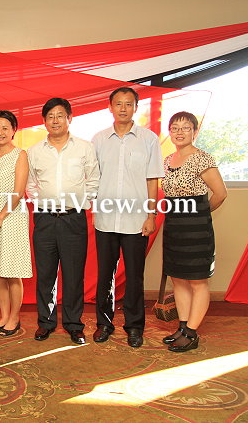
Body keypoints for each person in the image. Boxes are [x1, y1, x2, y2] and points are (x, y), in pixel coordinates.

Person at [91, 87, 164, 348]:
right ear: (110, 107)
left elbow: (152, 179)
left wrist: (151, 214)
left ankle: (134, 327)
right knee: (105, 274)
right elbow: (92, 177)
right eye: (118, 103)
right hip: (106, 218)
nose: (123, 108)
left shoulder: (148, 139)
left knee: (135, 275)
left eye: (128, 104)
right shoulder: (99, 139)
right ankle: (104, 323)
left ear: (136, 107)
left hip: (136, 220)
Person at [26, 98, 100, 344]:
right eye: (50, 116)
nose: (55, 120)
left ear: (70, 118)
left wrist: (80, 203)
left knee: (73, 274)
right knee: (45, 274)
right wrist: (43, 203)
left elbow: (93, 180)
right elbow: (30, 184)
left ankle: (73, 324)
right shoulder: (35, 151)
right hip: (45, 220)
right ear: (44, 121)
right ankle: (45, 323)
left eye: (60, 115)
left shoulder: (84, 148)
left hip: (73, 219)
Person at [161, 111, 227, 352]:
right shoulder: (167, 160)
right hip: (173, 227)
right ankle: (182, 327)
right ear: (170, 132)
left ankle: (191, 333)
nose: (180, 132)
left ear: (195, 132)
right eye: (175, 128)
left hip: (196, 229)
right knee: (178, 279)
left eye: (186, 128)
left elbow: (220, 193)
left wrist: (200, 214)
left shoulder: (202, 158)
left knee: (198, 281)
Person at [0, 110, 31, 337]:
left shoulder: (20, 155)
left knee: (12, 271)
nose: (0, 132)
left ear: (14, 131)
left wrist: (0, 218)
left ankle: (14, 318)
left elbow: (18, 192)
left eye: (5, 128)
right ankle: (3, 316)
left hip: (12, 218)